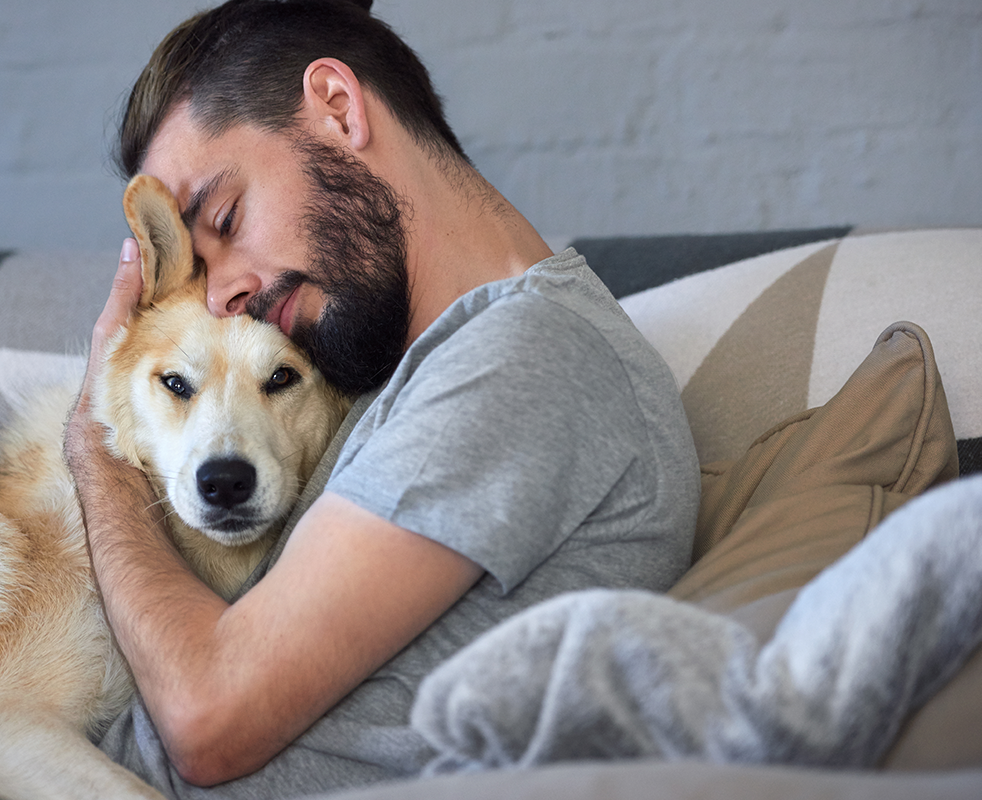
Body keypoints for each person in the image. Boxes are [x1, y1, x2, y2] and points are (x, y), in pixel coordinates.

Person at [63, 0, 700, 796]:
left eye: (226, 217)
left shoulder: (523, 356)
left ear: (337, 107)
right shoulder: (401, 367)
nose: (222, 294)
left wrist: (96, 441)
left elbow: (207, 721)